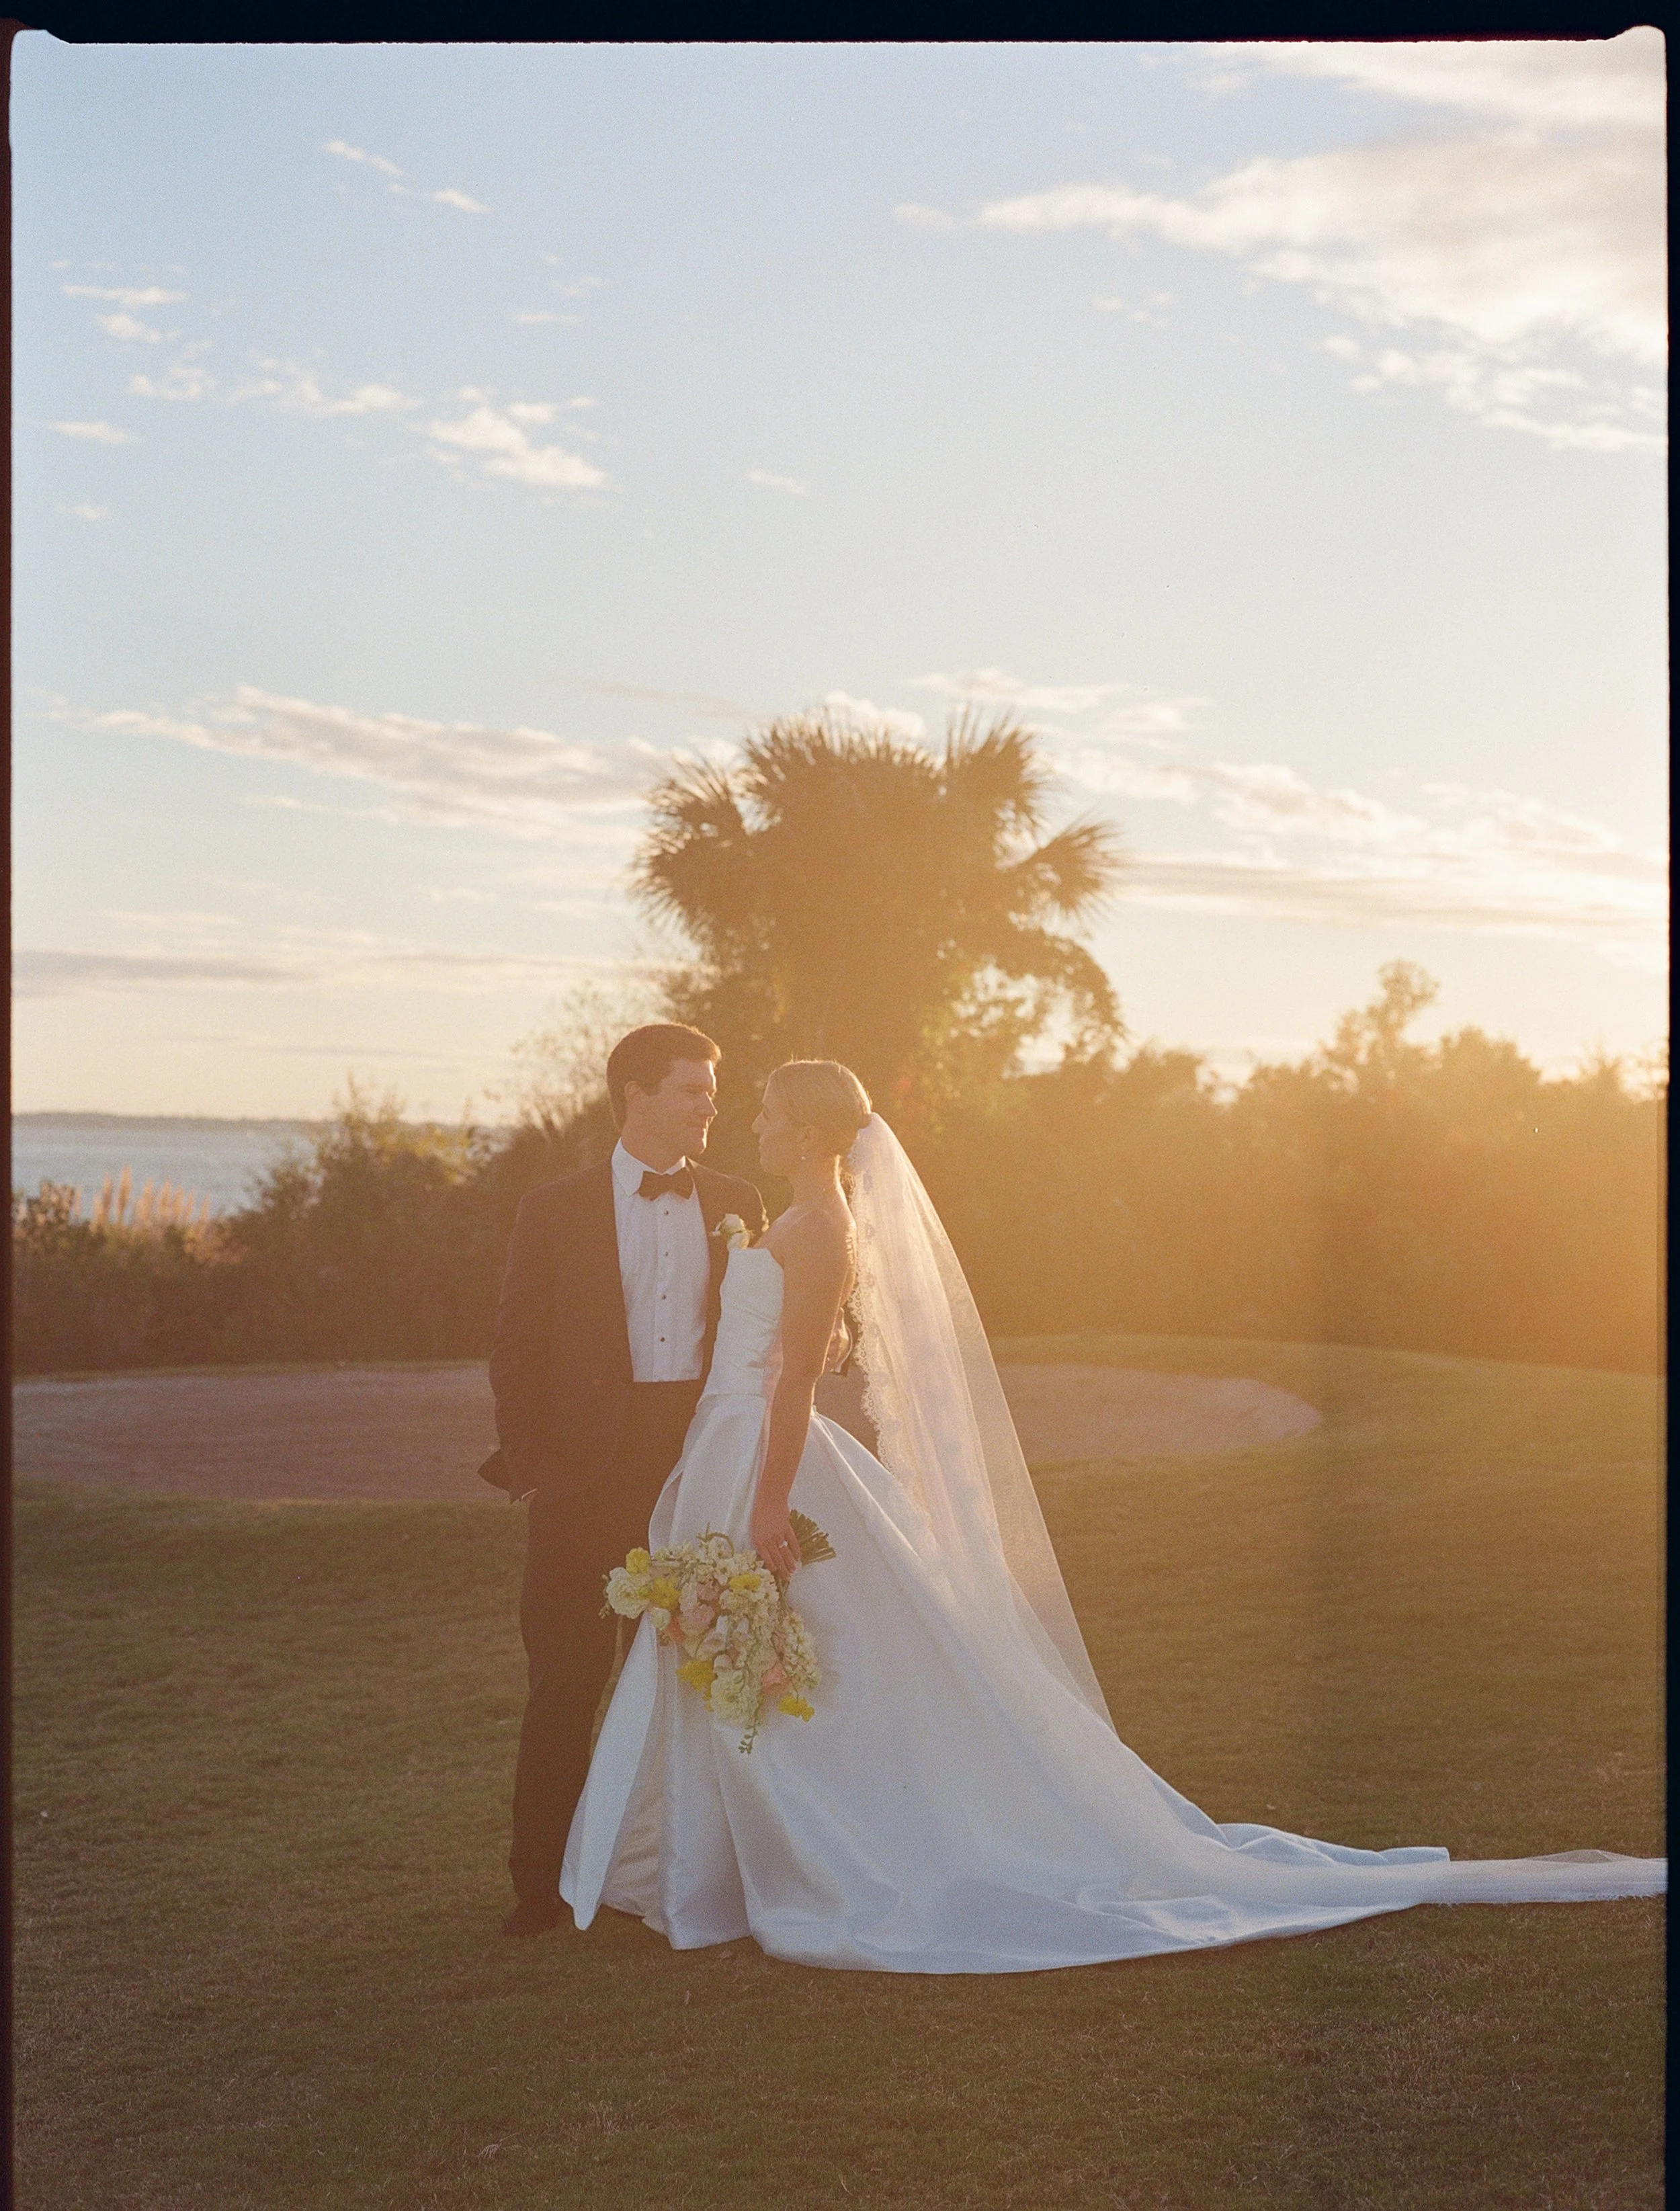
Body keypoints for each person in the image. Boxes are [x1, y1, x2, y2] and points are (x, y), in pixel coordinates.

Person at [556, 1056, 1665, 1972]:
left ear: (801, 1127)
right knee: (740, 1655)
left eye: (758, 1105)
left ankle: (805, 1863)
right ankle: (711, 1867)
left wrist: (764, 1505)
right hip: (724, 1445)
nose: (745, 1117)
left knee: (787, 1659)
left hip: (762, 1459)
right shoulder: (790, 1216)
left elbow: (796, 1384)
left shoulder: (820, 1229)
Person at [488, 1023, 767, 1936]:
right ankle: (541, 1887)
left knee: (699, 1676)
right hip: (582, 1479)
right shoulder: (553, 1208)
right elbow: (518, 1345)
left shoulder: (737, 1199)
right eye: (694, 1089)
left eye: (713, 1091)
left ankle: (686, 1870)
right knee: (565, 1679)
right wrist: (536, 1464)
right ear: (636, 1095)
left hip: (694, 1470)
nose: (710, 1106)